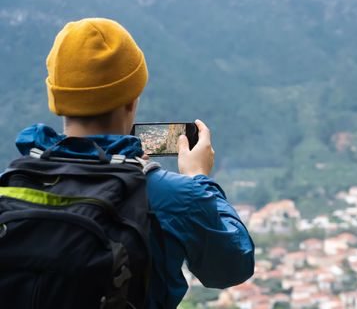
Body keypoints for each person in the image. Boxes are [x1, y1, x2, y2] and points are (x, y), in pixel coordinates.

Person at [14, 17, 255, 308]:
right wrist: (198, 179)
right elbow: (232, 267)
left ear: (57, 100)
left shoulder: (15, 183)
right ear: (131, 99)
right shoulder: (172, 195)